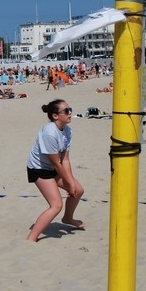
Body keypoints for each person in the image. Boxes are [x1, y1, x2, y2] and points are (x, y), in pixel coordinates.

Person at [25, 99, 85, 242]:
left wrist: (71, 183)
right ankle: (31, 239)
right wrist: (68, 184)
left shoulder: (67, 130)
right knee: (56, 205)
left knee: (78, 190)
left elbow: (65, 160)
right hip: (39, 168)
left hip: (53, 167)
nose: (70, 113)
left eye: (70, 109)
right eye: (66, 111)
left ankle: (68, 218)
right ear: (55, 116)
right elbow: (56, 163)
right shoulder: (49, 133)